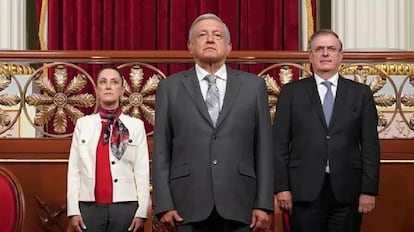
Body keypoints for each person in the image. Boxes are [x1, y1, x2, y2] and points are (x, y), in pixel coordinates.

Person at [152, 13, 274, 232]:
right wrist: (164, 204)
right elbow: (161, 149)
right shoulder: (169, 88)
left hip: (240, 203)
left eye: (217, 35)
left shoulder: (253, 86)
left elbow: (264, 148)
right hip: (186, 204)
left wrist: (263, 203)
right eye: (202, 35)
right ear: (190, 46)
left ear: (229, 47)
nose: (210, 39)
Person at [273, 29, 380, 232]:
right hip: (303, 191)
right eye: (319, 49)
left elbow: (370, 146)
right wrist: (282, 187)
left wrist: (369, 190)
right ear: (310, 56)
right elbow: (278, 144)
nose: (325, 53)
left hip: (348, 190)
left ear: (340, 56)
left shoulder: (360, 94)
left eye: (331, 49)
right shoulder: (291, 93)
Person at [66, 67, 150, 232]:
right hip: (89, 206)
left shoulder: (135, 126)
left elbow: (142, 171)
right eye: (103, 82)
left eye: (114, 82)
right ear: (97, 90)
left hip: (125, 206)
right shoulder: (84, 124)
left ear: (122, 89)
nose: (108, 87)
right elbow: (74, 170)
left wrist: (141, 212)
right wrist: (73, 210)